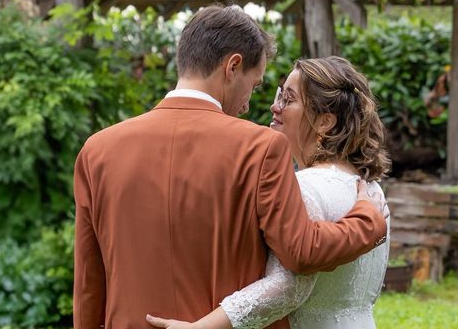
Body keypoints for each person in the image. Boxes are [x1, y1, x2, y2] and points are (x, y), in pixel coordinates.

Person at [73, 5, 388, 329]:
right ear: (233, 66)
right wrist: (368, 219)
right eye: (254, 85)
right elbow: (301, 251)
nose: (250, 104)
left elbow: (88, 285)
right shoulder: (260, 148)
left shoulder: (96, 151)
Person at [147, 56, 391, 329]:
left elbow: (288, 288)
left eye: (288, 99)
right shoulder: (370, 189)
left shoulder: (304, 187)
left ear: (324, 122)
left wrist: (200, 327)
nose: (275, 106)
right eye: (279, 94)